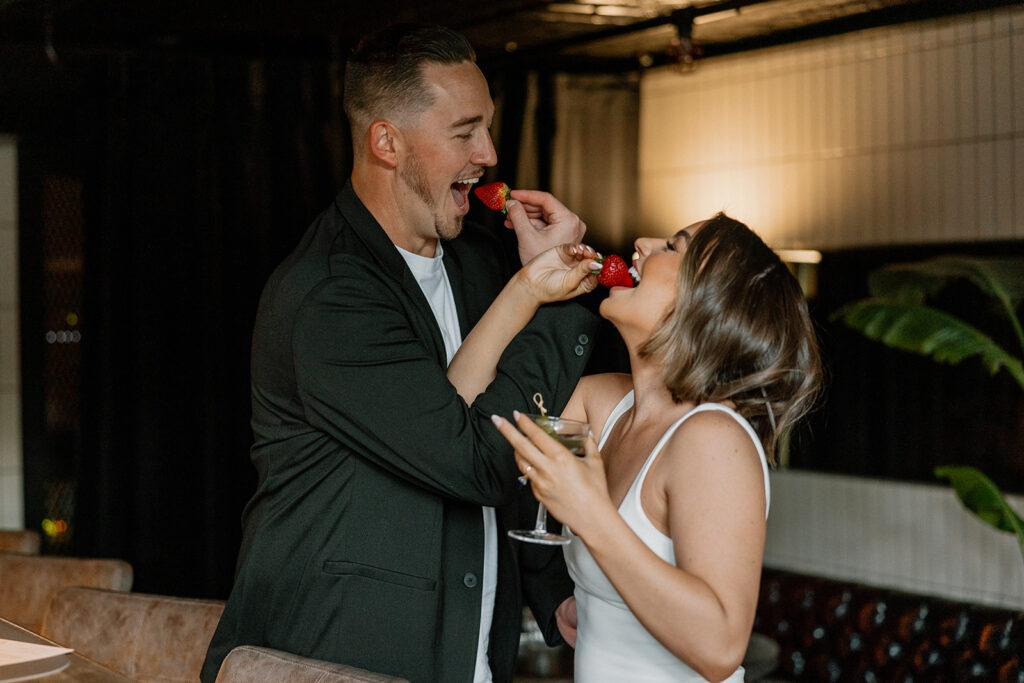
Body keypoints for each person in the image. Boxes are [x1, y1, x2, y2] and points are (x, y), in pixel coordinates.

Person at [201, 23, 603, 683]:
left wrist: (549, 584)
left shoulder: (481, 264)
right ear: (387, 142)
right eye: (465, 131)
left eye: (490, 127)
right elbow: (475, 458)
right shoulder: (328, 297)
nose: (491, 153)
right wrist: (548, 302)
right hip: (337, 657)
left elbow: (518, 457)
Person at [490, 213, 823, 682]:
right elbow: (482, 421)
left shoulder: (712, 436)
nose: (641, 243)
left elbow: (721, 646)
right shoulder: (602, 403)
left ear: (710, 303)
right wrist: (532, 281)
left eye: (673, 246)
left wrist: (590, 515)